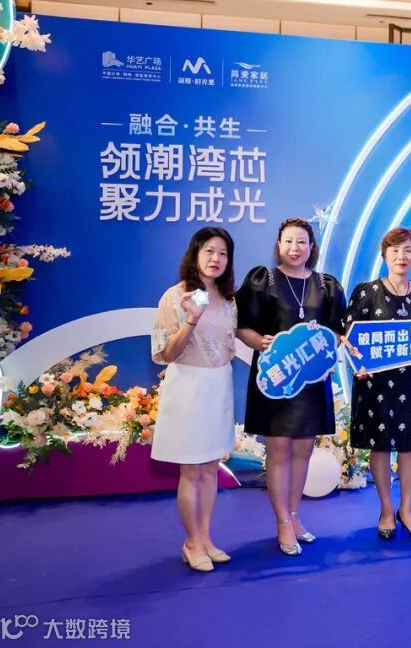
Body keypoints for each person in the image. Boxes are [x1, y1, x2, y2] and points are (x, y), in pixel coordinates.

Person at [236, 218, 347, 556]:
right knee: (279, 451)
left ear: (311, 247)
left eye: (301, 242)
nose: (294, 248)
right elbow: (242, 326)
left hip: (311, 380)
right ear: (278, 245)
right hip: (276, 379)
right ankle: (282, 521)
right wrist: (260, 343)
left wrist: (326, 357)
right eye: (288, 241)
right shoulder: (263, 280)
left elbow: (338, 330)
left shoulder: (327, 285)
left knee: (303, 450)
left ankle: (295, 515)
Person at [151, 227, 238, 572]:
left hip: (219, 387)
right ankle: (192, 542)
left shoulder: (229, 299)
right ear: (195, 255)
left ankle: (205, 538)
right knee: (191, 470)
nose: (216, 259)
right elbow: (166, 353)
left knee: (210, 468)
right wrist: (191, 319)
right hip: (188, 387)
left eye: (223, 253)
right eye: (209, 251)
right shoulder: (175, 297)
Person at [346, 227, 411, 541]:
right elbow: (350, 336)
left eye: (408, 250)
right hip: (375, 384)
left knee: (409, 447)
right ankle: (386, 509)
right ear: (384, 255)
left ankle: (407, 509)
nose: (402, 256)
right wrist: (357, 362)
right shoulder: (366, 292)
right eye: (395, 250)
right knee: (381, 446)